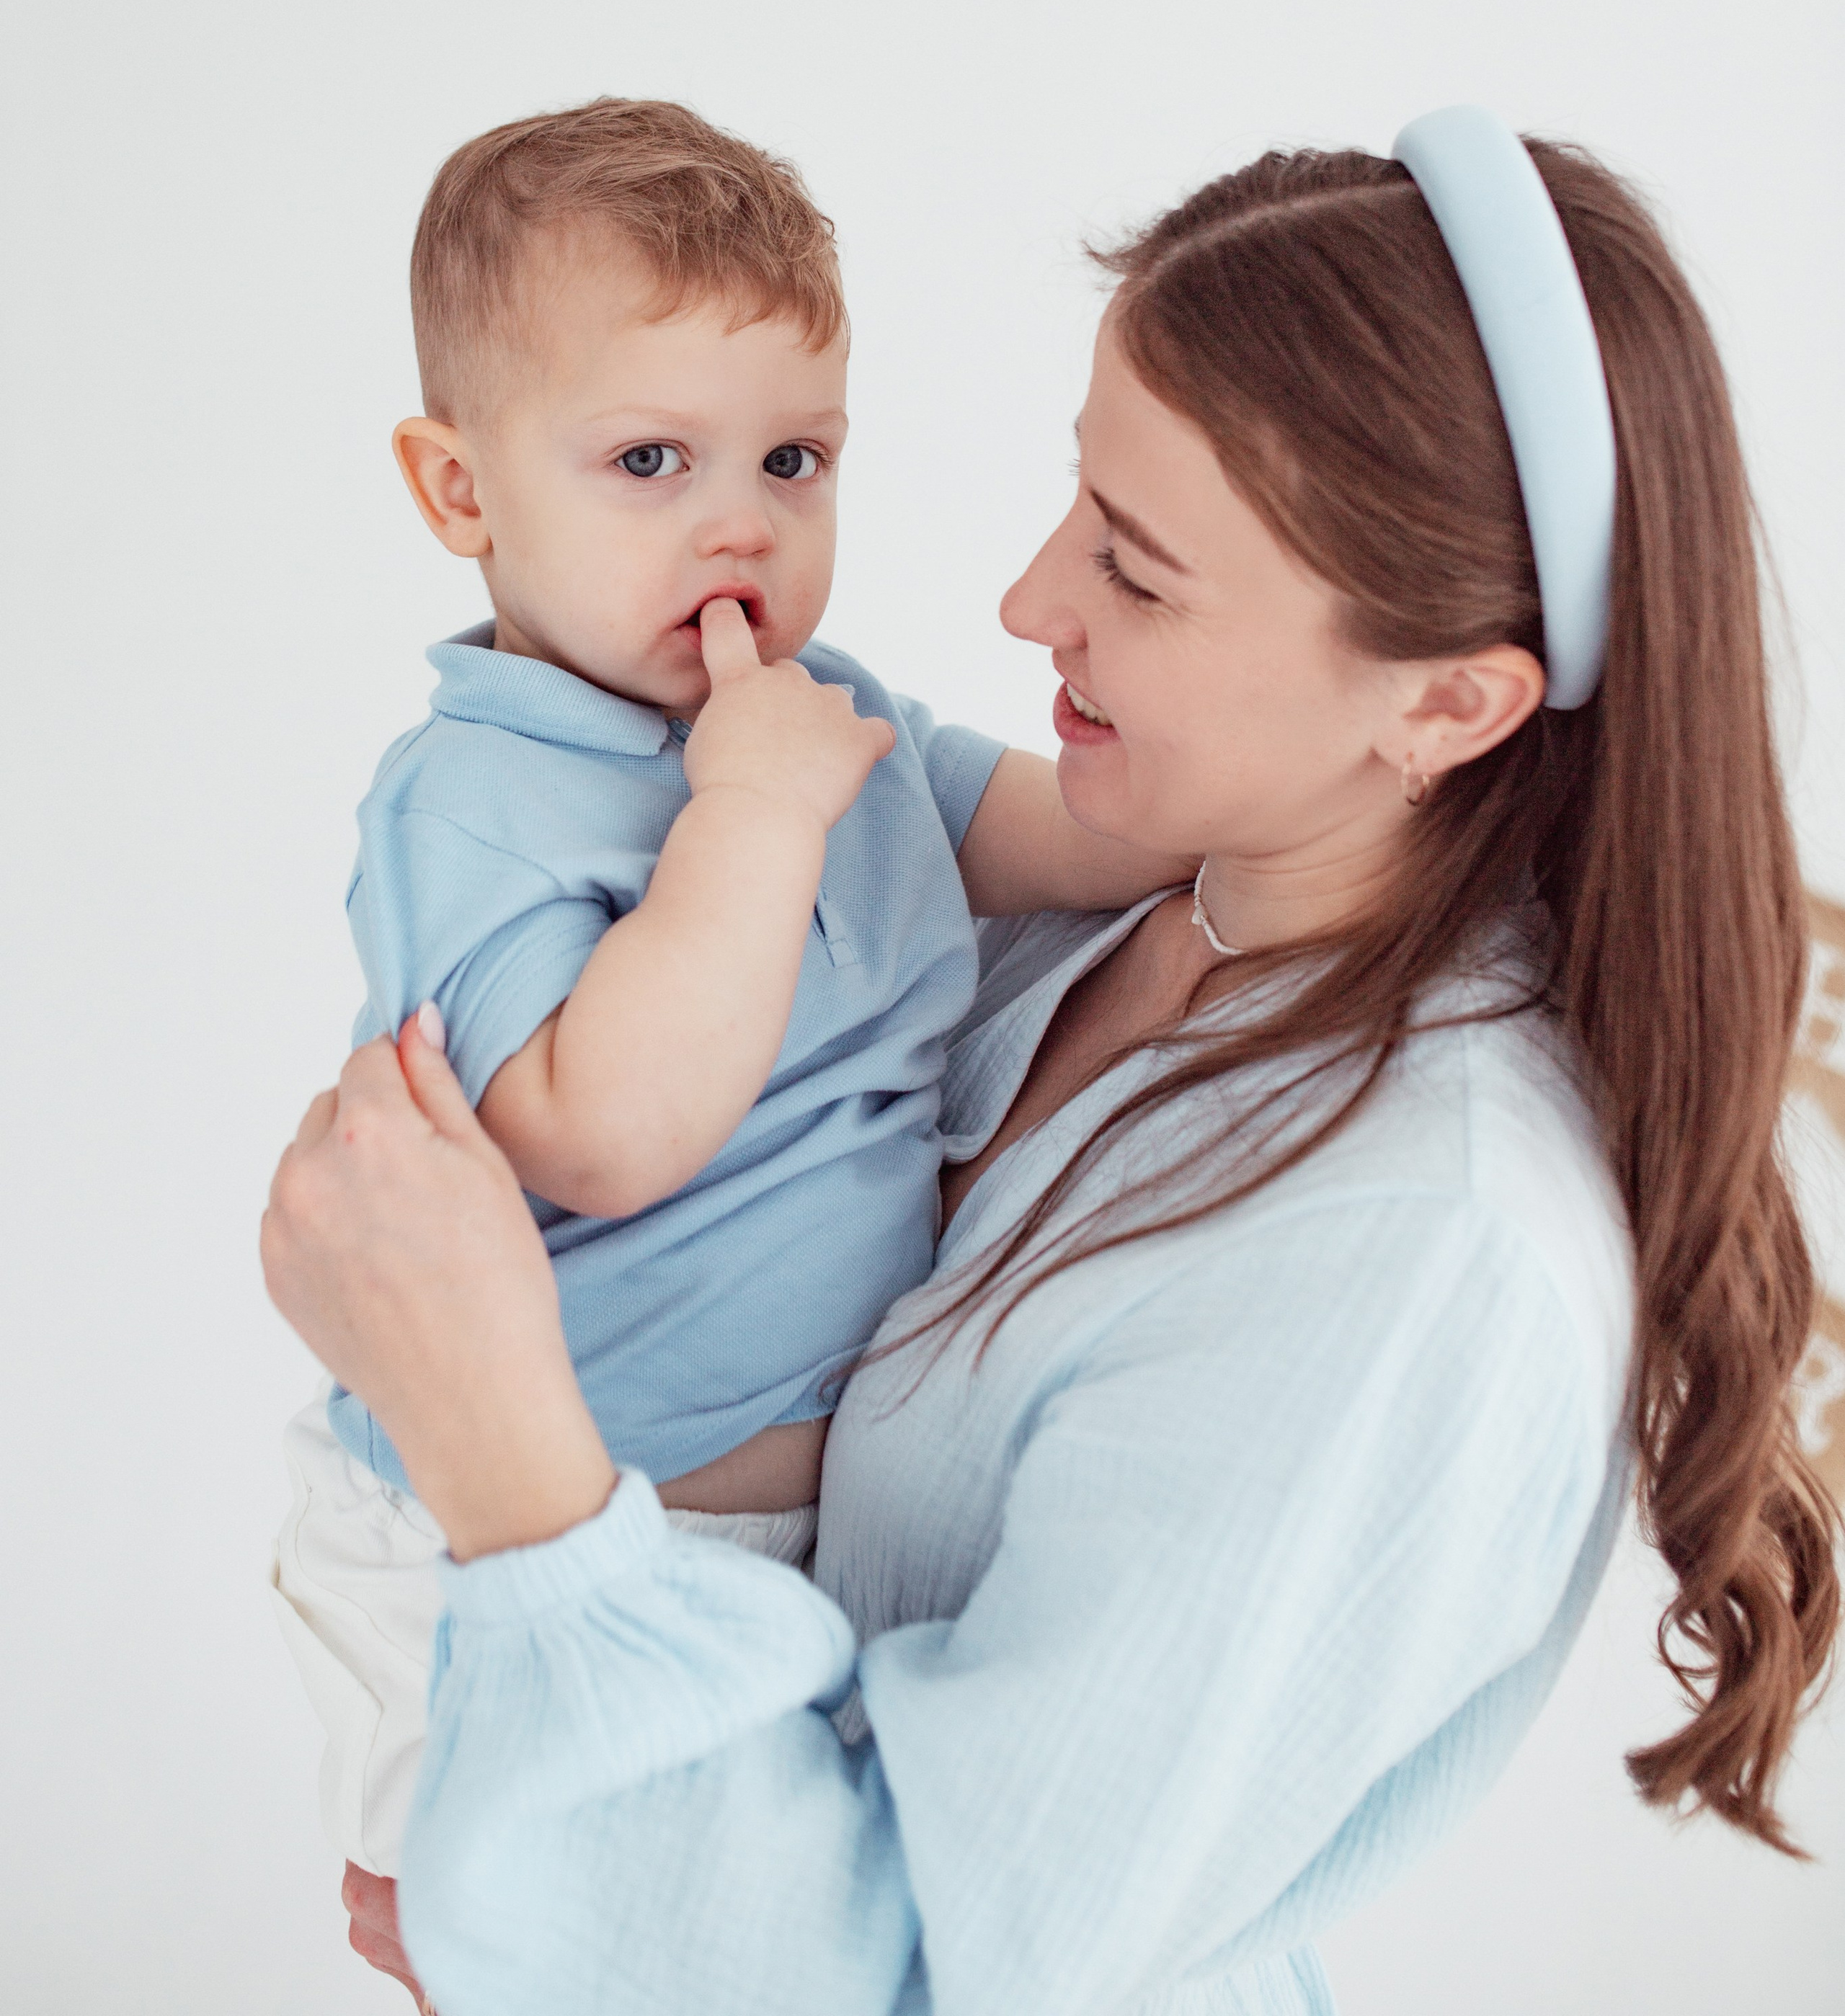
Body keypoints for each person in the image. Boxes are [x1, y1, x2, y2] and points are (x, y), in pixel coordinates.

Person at [264, 110, 1839, 2015]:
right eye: (1078, 495)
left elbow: (914, 1967)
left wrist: (491, 1439)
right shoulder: (1122, 907)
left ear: (1444, 700)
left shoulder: (1424, 1244)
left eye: (1138, 571)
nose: (1025, 601)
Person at [268, 97, 1189, 1882]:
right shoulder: (474, 799)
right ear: (460, 490)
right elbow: (604, 1133)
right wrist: (753, 819)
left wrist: (1267, 791)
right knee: (520, 1927)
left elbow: (1074, 837)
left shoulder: (823, 716)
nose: (739, 529)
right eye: (648, 462)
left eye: (792, 461)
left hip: (798, 1554)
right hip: (495, 1536)